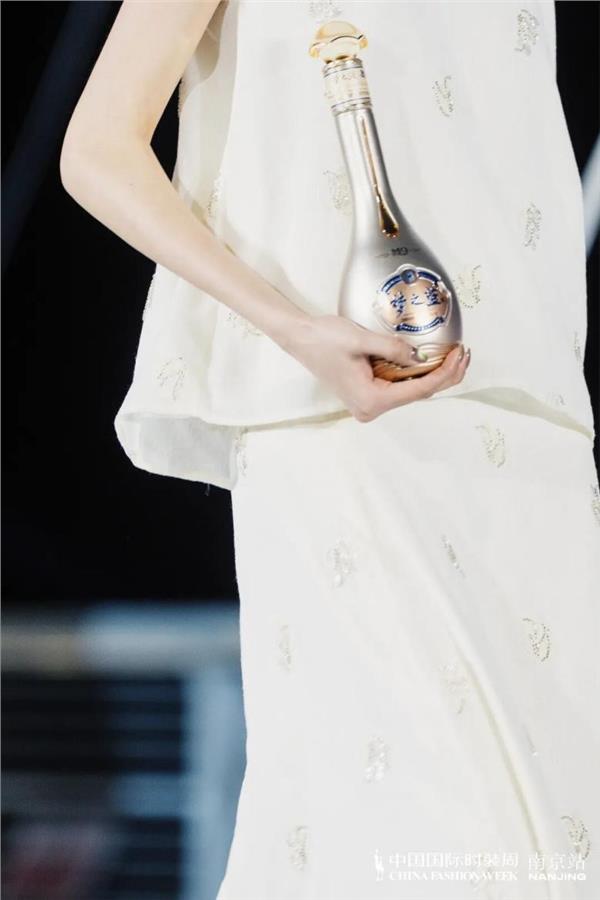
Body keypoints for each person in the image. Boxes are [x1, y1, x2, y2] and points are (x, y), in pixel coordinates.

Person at [60, 2, 599, 898]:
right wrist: (293, 329)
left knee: (550, 850)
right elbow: (98, 149)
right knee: (419, 834)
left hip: (535, 442)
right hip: (344, 425)